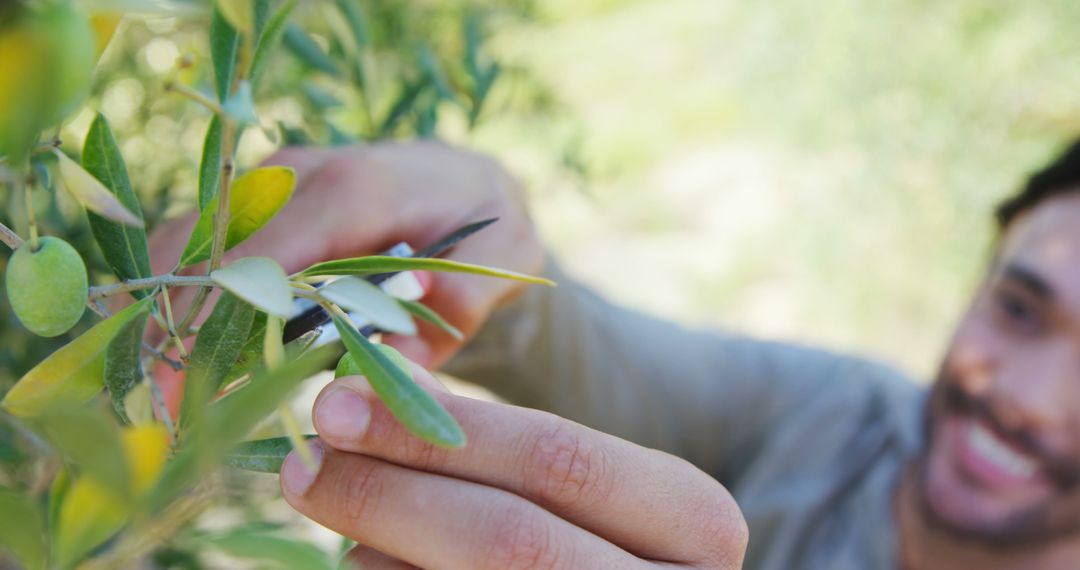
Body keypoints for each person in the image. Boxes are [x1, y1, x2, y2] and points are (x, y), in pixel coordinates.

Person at [149, 138, 1080, 569]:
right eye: (1020, 307)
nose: (1029, 398)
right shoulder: (846, 419)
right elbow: (579, 348)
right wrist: (474, 244)